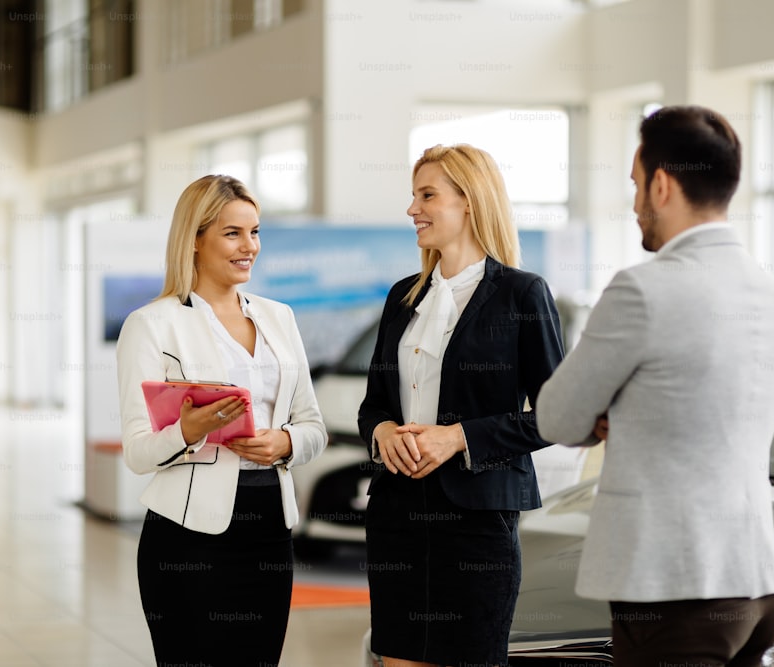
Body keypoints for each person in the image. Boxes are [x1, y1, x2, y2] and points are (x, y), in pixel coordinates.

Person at [535, 106, 774, 667]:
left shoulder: (643, 290)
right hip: (755, 582)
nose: (633, 205)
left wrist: (608, 411)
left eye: (634, 184)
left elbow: (555, 417)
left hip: (675, 588)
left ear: (661, 183)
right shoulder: (769, 291)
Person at [358, 144, 565, 667]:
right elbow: (373, 405)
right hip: (397, 517)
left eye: (427, 195)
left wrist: (458, 438)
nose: (413, 210)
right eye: (413, 196)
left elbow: (558, 414)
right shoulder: (402, 297)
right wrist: (382, 432)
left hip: (476, 526)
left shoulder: (522, 294)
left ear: (470, 201)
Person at [115, 174, 327, 667]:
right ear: (195, 238)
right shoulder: (152, 324)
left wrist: (286, 442)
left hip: (270, 532)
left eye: (255, 233)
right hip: (187, 539)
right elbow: (137, 451)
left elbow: (313, 424)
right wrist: (190, 431)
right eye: (233, 233)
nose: (248, 246)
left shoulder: (281, 318)